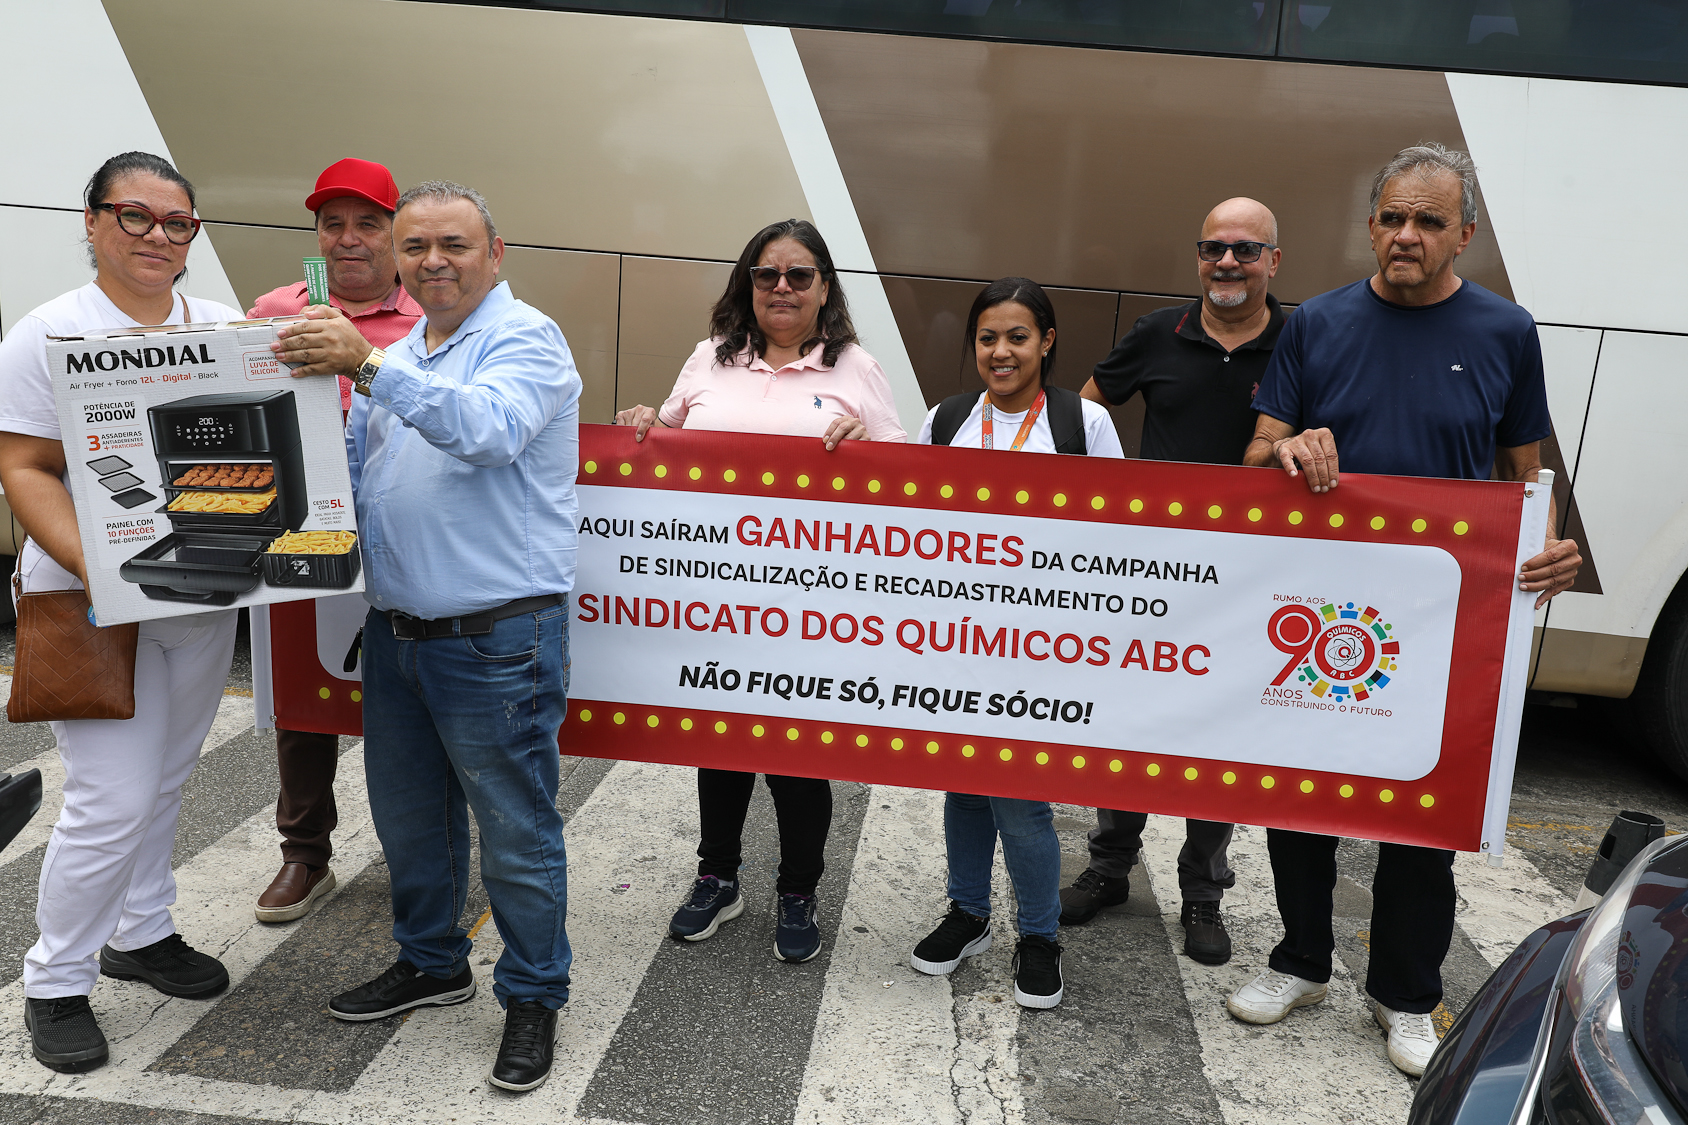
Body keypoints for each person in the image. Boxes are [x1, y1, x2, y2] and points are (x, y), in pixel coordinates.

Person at [1229, 143, 1583, 1077]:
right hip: (1319, 609)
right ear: (1371, 225)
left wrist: (1548, 545)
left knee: (1422, 814)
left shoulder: (1507, 331)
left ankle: (1403, 993)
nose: (1406, 235)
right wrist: (1290, 446)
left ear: (1464, 233)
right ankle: (1300, 960)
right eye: (1391, 217)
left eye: (1428, 220)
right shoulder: (1317, 324)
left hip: (1444, 623)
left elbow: (1525, 476)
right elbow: (1256, 456)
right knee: (1299, 796)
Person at [271, 181, 580, 1093]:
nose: (432, 260)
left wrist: (365, 368)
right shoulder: (407, 348)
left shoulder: (527, 339)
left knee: (515, 832)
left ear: (496, 251)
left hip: (496, 638)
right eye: (416, 247)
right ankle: (433, 960)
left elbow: (487, 431)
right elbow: (365, 485)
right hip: (398, 634)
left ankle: (533, 994)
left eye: (453, 243)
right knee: (411, 822)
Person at [0, 152, 245, 1073]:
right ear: (93, 222)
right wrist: (99, 565)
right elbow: (23, 466)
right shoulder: (48, 332)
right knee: (109, 798)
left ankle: (139, 930)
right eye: (133, 216)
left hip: (202, 592)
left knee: (169, 776)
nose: (155, 236)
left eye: (176, 222)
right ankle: (55, 982)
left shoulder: (221, 327)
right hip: (91, 600)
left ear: (193, 236)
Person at [615, 218, 905, 963]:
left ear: (825, 288)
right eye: (767, 274)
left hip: (815, 609)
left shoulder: (858, 370)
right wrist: (645, 421)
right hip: (716, 602)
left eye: (799, 275)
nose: (782, 287)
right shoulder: (709, 359)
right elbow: (666, 434)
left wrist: (872, 453)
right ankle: (718, 876)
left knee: (799, 753)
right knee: (722, 744)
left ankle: (798, 888)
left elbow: (909, 481)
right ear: (747, 283)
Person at [1064, 197, 1286, 964]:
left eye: (1245, 250)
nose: (1227, 262)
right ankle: (1108, 869)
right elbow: (1084, 414)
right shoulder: (1159, 332)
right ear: (1198, 257)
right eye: (1213, 248)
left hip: (1249, 578)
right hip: (1151, 571)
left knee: (1215, 731)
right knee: (1132, 718)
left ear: (1272, 263)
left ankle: (1202, 892)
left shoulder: (1300, 341)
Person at [907, 277, 1124, 1010]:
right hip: (956, 640)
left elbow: (1120, 532)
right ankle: (967, 916)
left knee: (1021, 798)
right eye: (988, 338)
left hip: (1042, 647)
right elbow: (906, 524)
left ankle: (1039, 936)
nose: (1001, 352)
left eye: (1018, 337)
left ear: (1048, 342)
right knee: (964, 788)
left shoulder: (1083, 423)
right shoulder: (944, 420)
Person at [246, 158, 422, 926]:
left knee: (416, 688)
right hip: (301, 530)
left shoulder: (433, 314)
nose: (348, 239)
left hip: (406, 534)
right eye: (332, 223)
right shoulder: (274, 310)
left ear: (395, 232)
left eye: (368, 222)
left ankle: (421, 857)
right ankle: (305, 851)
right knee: (305, 697)